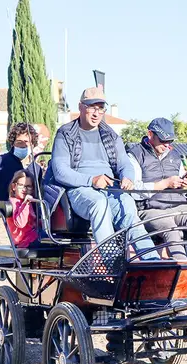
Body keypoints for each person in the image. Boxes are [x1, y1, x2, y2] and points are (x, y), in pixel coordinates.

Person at [46, 87, 158, 261]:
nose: (97, 113)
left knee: (127, 205)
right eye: (92, 107)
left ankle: (153, 262)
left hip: (110, 188)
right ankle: (112, 263)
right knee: (99, 204)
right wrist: (91, 180)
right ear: (81, 107)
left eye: (101, 108)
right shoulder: (65, 133)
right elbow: (60, 172)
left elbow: (125, 165)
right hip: (79, 189)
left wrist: (128, 177)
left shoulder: (111, 135)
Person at [127, 117, 187, 260]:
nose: (167, 145)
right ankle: (184, 271)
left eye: (170, 141)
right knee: (172, 230)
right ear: (150, 134)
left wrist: (186, 186)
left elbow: (185, 189)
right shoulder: (134, 155)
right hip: (151, 209)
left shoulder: (175, 156)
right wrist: (165, 184)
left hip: (180, 206)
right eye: (163, 141)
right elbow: (134, 190)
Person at [7, 170, 39, 248]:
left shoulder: (27, 201)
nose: (24, 189)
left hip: (33, 236)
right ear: (14, 187)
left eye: (28, 186)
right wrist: (25, 203)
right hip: (24, 241)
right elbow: (20, 223)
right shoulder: (14, 202)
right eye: (21, 185)